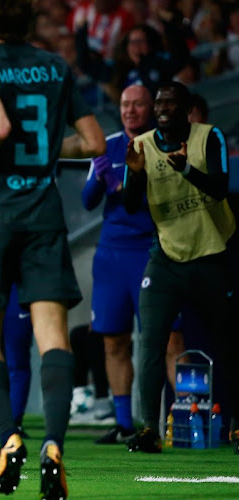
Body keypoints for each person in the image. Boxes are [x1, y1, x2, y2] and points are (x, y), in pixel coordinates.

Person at [0, 0, 106, 497]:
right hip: (43, 216)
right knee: (52, 335)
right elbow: (95, 142)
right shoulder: (57, 67)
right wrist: (40, 151)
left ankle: (9, 437)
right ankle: (53, 443)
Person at [122, 81, 239, 455]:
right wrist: (137, 174)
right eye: (159, 103)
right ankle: (148, 430)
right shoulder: (141, 146)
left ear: (187, 108)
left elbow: (220, 189)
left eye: (170, 103)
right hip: (166, 259)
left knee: (227, 343)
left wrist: (186, 168)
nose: (162, 109)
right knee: (151, 342)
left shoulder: (210, 136)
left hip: (211, 253)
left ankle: (236, 426)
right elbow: (128, 205)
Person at [82, 84, 185, 444]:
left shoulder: (167, 143)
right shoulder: (106, 145)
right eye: (125, 104)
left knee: (170, 341)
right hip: (111, 255)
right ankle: (125, 423)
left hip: (155, 250)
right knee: (113, 342)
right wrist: (98, 176)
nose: (130, 110)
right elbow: (86, 202)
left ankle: (187, 421)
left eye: (138, 104)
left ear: (152, 108)